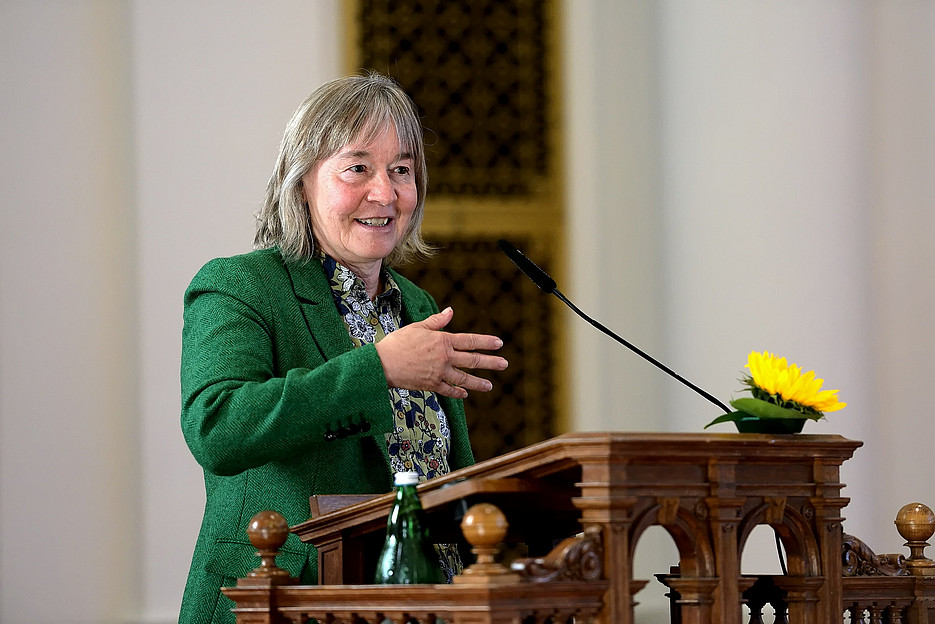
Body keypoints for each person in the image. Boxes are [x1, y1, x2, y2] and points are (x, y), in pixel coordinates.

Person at [178, 72, 508, 624]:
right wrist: (376, 370)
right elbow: (217, 429)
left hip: (429, 606)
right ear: (301, 181)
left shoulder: (418, 306)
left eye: (402, 170)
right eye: (358, 168)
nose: (385, 192)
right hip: (286, 600)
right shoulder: (241, 286)